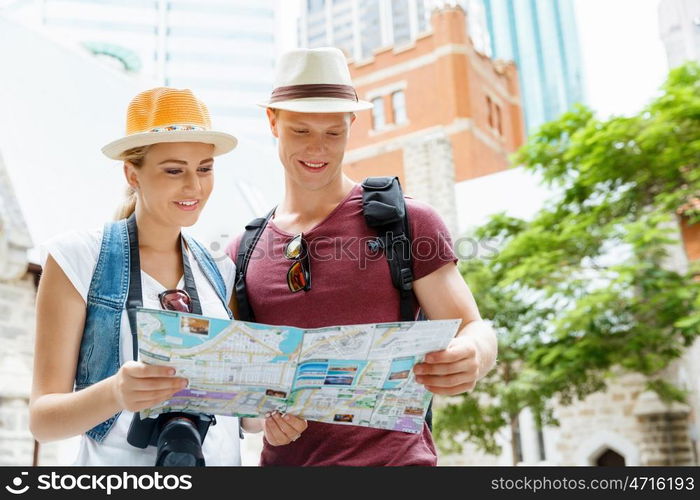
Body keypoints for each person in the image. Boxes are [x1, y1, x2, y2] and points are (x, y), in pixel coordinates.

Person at [226, 48, 498, 466]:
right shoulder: (241, 252)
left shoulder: (407, 223)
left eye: (333, 132)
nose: (317, 149)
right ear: (273, 122)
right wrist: (261, 417)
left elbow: (473, 326)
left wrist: (474, 354)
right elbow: (238, 388)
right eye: (301, 131)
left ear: (352, 124)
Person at [29, 87, 304, 465]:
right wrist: (116, 393)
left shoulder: (220, 269)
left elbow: (243, 416)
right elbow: (43, 421)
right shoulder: (78, 258)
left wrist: (270, 420)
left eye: (205, 168)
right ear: (132, 174)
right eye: (174, 170)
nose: (194, 186)